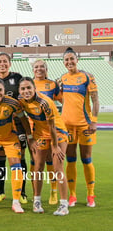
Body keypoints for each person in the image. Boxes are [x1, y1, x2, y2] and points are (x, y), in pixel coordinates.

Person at [0, 79, 36, 213]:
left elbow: (23, 119)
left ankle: (16, 202)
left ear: (4, 91)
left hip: (9, 137)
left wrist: (30, 136)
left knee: (16, 164)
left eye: (0, 90)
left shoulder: (13, 103)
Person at [18, 77, 69, 216]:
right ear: (19, 90)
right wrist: (30, 137)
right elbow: (23, 119)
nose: (26, 91)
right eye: (23, 88)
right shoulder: (20, 101)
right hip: (40, 134)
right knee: (38, 167)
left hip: (57, 133)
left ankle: (64, 205)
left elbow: (52, 127)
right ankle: (37, 201)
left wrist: (55, 146)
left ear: (35, 88)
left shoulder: (44, 102)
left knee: (58, 168)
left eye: (29, 88)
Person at [0, 53, 28, 204]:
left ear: (9, 63)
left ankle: (22, 192)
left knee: (20, 157)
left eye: (5, 61)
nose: (2, 64)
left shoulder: (17, 78)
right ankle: (1, 191)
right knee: (0, 157)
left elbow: (26, 93)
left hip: (18, 125)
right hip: (1, 126)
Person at [61, 47, 99, 207]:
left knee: (86, 159)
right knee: (70, 160)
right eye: (66, 60)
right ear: (63, 63)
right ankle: (73, 195)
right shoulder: (62, 79)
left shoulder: (87, 77)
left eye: (72, 58)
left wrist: (94, 121)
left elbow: (95, 100)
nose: (69, 62)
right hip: (67, 127)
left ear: (77, 59)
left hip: (85, 126)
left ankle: (91, 195)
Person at [32, 59, 62, 205]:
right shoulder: (29, 85)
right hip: (34, 128)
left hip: (49, 127)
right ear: (33, 70)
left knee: (50, 160)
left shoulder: (52, 85)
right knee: (36, 162)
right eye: (36, 67)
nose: (39, 69)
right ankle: (35, 194)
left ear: (46, 69)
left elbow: (63, 100)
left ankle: (54, 190)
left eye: (42, 66)